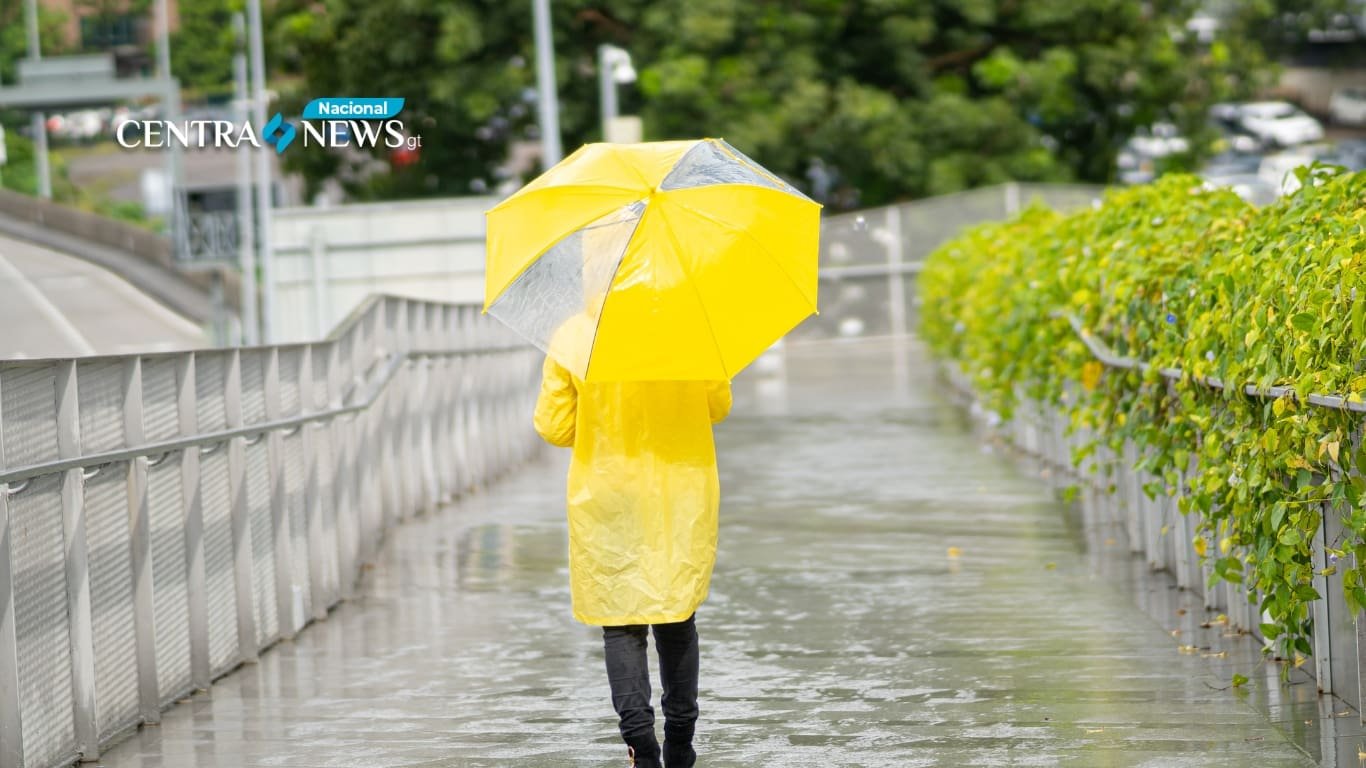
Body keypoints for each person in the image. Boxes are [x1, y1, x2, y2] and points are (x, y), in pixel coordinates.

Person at [533, 354, 732, 768]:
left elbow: (556, 427)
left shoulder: (576, 337)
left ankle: (641, 745)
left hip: (608, 491)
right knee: (676, 615)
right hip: (678, 490)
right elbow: (717, 407)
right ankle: (681, 740)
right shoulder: (688, 333)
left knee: (621, 623)